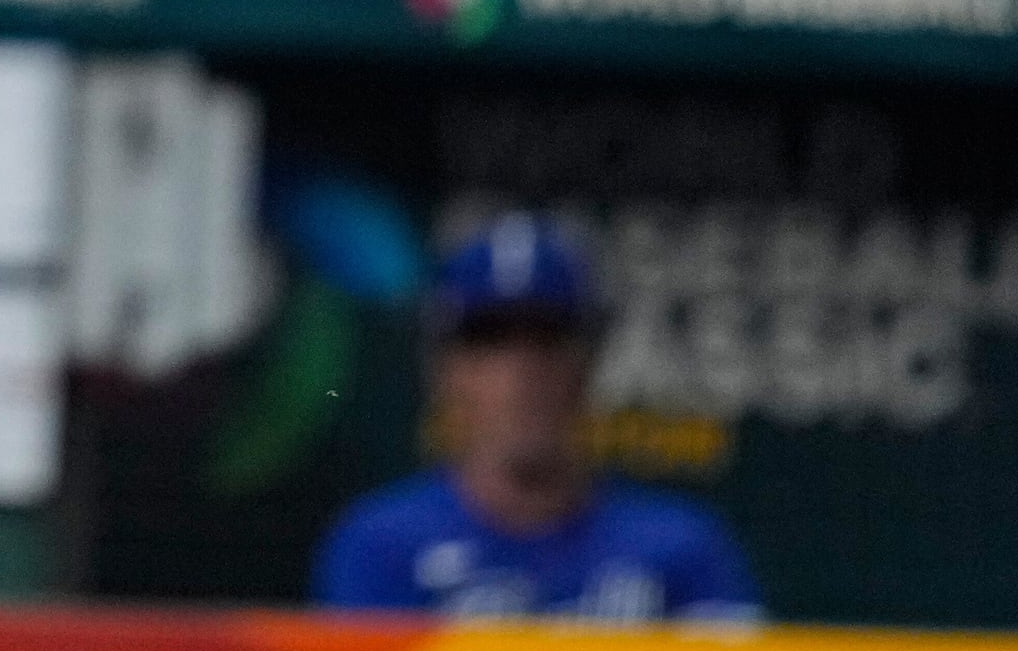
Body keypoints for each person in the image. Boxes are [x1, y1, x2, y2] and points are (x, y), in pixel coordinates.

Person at [316, 218, 758, 620]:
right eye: (489, 339)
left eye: (548, 337)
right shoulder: (383, 546)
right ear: (443, 369)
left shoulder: (679, 549)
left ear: (591, 359)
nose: (521, 370)